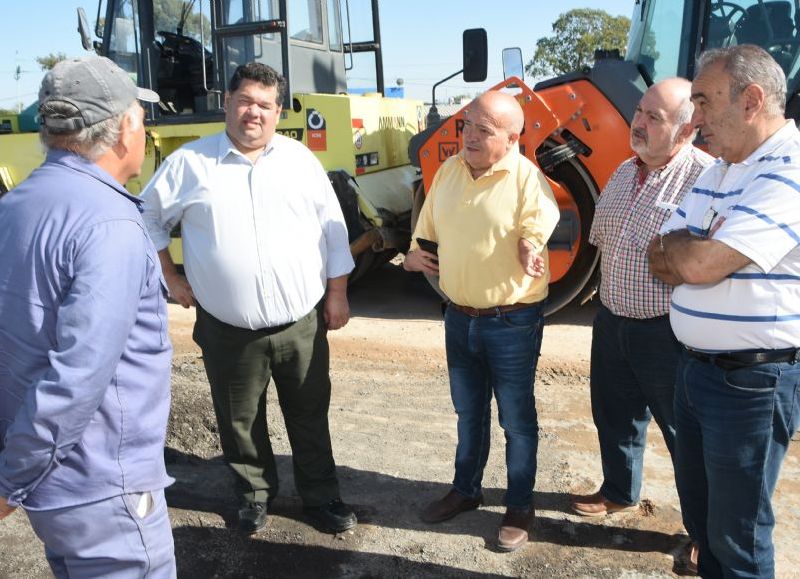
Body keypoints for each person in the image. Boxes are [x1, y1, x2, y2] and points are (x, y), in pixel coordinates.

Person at [141, 62, 356, 535]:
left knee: (308, 415)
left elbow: (333, 231)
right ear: (227, 103)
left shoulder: (301, 161)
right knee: (239, 420)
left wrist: (337, 293)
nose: (252, 113)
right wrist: (170, 277)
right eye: (244, 101)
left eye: (264, 104)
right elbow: (147, 217)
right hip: (226, 328)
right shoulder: (190, 164)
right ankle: (253, 496)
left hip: (300, 324)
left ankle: (321, 497)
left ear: (278, 111)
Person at [0, 57, 175, 577]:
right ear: (125, 128)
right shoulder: (111, 223)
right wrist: (12, 479)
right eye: (141, 118)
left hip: (53, 489)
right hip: (101, 486)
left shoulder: (17, 206)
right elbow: (78, 377)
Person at [648, 44, 800, 578]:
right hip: (696, 371)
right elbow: (659, 251)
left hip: (750, 384)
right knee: (705, 520)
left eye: (706, 101)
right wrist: (687, 253)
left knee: (737, 537)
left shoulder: (790, 170)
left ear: (752, 99)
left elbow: (701, 263)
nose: (697, 118)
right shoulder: (720, 170)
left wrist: (692, 252)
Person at [404, 90, 560, 552]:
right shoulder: (449, 172)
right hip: (458, 317)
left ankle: (519, 505)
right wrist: (414, 256)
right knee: (468, 412)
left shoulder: (527, 179)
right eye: (467, 124)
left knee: (516, 418)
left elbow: (538, 226)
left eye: (483, 129)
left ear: (511, 138)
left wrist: (530, 247)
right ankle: (466, 489)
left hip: (511, 321)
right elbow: (426, 234)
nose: (468, 135)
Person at [571, 78, 711, 526]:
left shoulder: (705, 179)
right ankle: (618, 491)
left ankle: (702, 531)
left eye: (655, 118)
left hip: (668, 333)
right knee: (614, 416)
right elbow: (605, 242)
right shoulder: (624, 170)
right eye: (640, 112)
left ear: (686, 131)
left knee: (685, 436)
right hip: (612, 321)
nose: (640, 123)